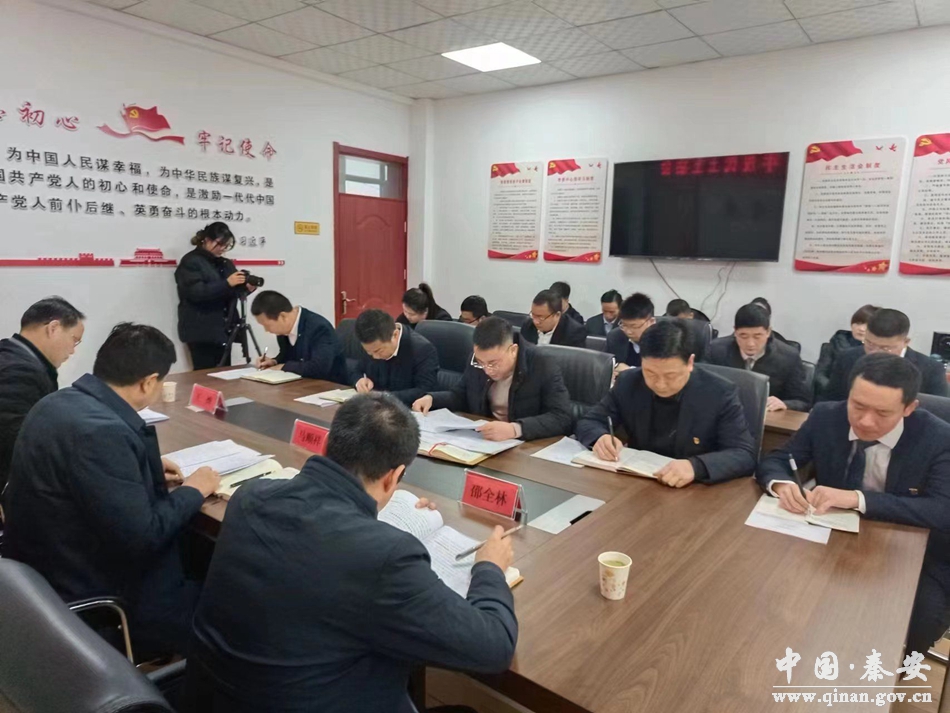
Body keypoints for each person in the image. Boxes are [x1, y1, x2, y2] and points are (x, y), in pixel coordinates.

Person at [185, 393, 517, 713]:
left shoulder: (251, 496)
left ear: (327, 445)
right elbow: (494, 647)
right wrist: (489, 568)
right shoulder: (386, 556)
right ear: (393, 477)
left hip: (212, 697)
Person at [2, 323, 221, 655]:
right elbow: (144, 537)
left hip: (44, 577)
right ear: (148, 382)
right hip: (97, 598)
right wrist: (194, 489)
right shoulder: (103, 434)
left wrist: (142, 465)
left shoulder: (57, 402)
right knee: (225, 584)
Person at [757, 354, 950, 656]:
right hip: (831, 538)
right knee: (775, 587)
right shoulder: (826, 416)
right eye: (857, 406)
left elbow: (941, 510)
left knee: (921, 617)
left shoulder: (939, 438)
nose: (865, 421)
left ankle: (893, 670)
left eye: (882, 413)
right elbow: (779, 459)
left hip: (912, 554)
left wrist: (857, 499)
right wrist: (782, 484)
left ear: (909, 408)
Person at [576, 321, 756, 486]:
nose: (660, 384)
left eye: (670, 375)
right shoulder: (629, 382)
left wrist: (696, 466)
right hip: (639, 483)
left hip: (695, 490)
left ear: (690, 363)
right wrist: (599, 437)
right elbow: (590, 421)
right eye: (650, 373)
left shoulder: (719, 393)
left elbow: (744, 454)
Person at [413, 316, 572, 442]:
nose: (487, 370)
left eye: (493, 363)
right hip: (486, 441)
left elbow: (562, 417)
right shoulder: (477, 359)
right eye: (481, 362)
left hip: (525, 446)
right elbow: (461, 395)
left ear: (513, 351)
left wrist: (515, 429)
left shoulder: (542, 364)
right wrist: (432, 399)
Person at [0, 297, 85, 493]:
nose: (73, 350)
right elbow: (13, 440)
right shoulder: (19, 371)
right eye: (75, 340)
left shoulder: (9, 353)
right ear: (53, 328)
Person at [175, 222, 257, 369]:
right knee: (205, 375)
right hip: (201, 330)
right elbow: (196, 292)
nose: (222, 248)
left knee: (225, 374)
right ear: (206, 240)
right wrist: (227, 283)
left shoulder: (225, 263)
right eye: (220, 244)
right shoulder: (190, 261)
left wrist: (247, 288)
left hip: (224, 329)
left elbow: (232, 292)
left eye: (227, 245)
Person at [822, 308, 948, 402]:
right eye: (869, 344)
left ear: (905, 342)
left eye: (885, 348)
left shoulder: (931, 369)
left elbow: (939, 414)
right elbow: (829, 402)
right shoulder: (847, 358)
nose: (875, 353)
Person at [706, 304, 811, 412]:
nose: (750, 343)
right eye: (743, 336)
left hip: (768, 417)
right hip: (724, 413)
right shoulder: (716, 350)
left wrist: (785, 404)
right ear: (735, 331)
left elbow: (803, 401)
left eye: (757, 336)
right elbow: (703, 388)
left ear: (768, 332)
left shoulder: (789, 357)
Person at [250, 290, 347, 383]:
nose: (266, 330)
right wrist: (274, 361)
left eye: (267, 325)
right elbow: (287, 355)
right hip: (299, 384)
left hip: (329, 386)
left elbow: (319, 368)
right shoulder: (284, 330)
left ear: (283, 317)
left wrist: (283, 367)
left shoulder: (319, 328)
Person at [353, 309, 439, 406]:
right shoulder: (371, 344)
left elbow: (425, 390)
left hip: (405, 408)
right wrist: (359, 380)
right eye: (369, 353)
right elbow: (357, 369)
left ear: (395, 335)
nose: (375, 357)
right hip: (374, 407)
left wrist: (383, 397)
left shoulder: (422, 349)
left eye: (378, 351)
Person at [815, 304, 879, 398]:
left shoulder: (876, 351)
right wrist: (834, 389)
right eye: (858, 323)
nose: (861, 329)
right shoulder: (836, 342)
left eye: (867, 325)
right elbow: (820, 374)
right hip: (832, 395)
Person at [520, 290, 587, 348]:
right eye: (533, 315)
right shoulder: (528, 325)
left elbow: (573, 358)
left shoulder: (574, 332)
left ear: (557, 315)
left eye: (541, 317)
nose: (535, 321)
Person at [607, 293, 655, 373]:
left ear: (651, 322)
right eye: (624, 325)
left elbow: (660, 373)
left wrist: (630, 371)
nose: (628, 331)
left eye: (634, 326)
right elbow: (608, 364)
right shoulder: (615, 337)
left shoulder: (665, 340)